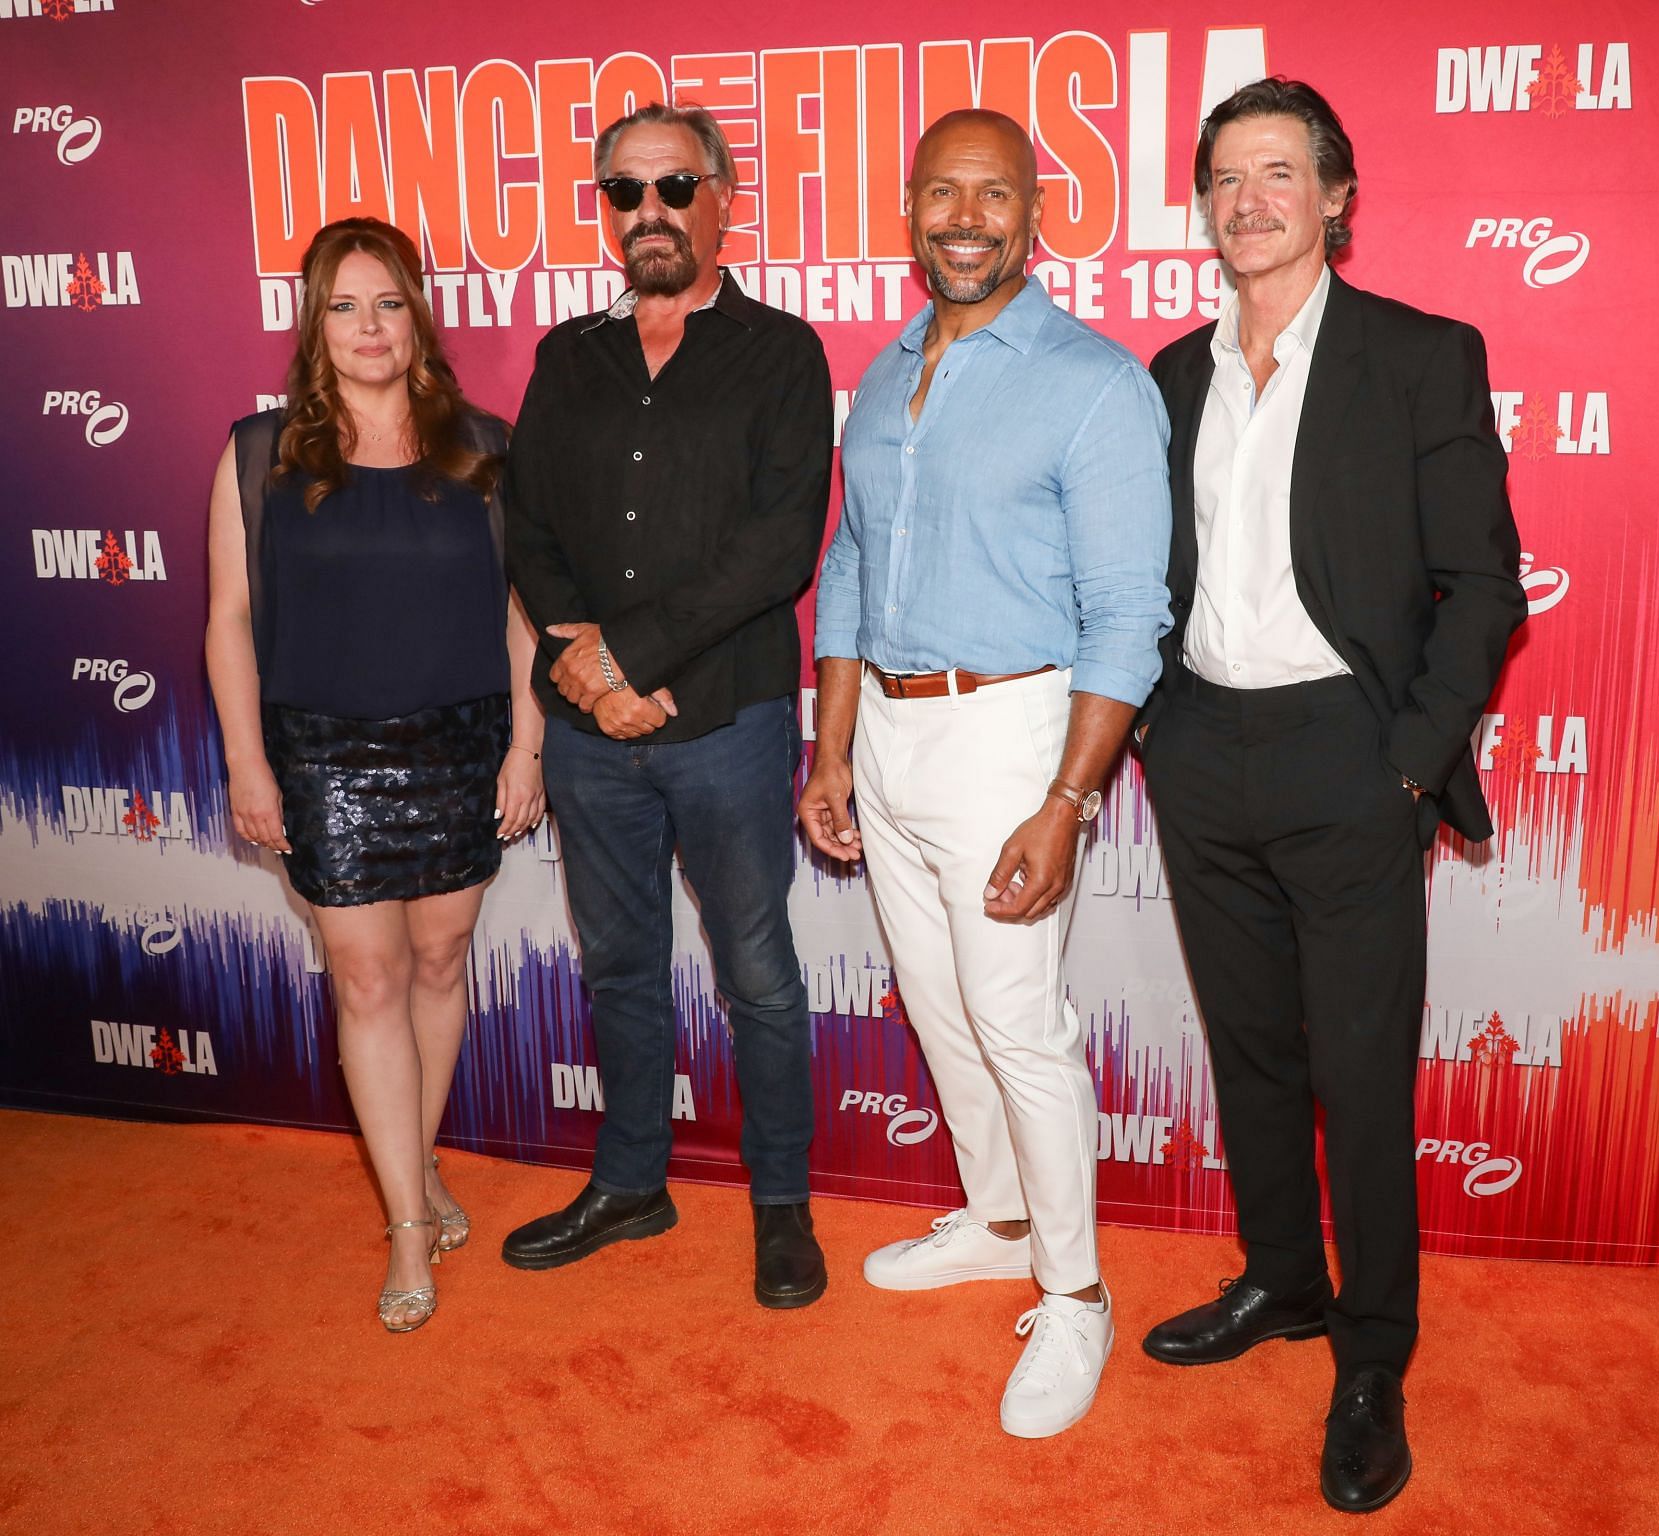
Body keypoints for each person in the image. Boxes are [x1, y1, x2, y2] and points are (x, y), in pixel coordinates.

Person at [1133, 78, 1526, 1511]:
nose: (1250, 200)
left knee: (1359, 1075)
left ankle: (1373, 1356)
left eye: (1279, 172)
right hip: (1201, 751)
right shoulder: (1171, 375)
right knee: (1253, 1054)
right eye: (1226, 177)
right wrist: (1155, 735)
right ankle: (1284, 1286)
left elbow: (1483, 583)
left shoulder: (1420, 357)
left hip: (1351, 756)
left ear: (1338, 196)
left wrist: (1410, 761)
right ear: (1204, 203)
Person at [799, 109, 1172, 1438]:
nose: (967, 217)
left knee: (1018, 1020)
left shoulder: (1093, 381)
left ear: (1035, 214)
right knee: (944, 1009)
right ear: (909, 210)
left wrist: (1065, 802)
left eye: (995, 194)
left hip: (1015, 736)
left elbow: (1130, 614)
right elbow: (848, 565)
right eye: (943, 194)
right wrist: (832, 743)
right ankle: (1003, 1220)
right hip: (888, 737)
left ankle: (1076, 1294)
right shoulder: (892, 364)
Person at [500, 103, 834, 1308]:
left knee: (757, 971)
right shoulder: (563, 358)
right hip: (593, 740)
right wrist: (586, 672)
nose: (649, 212)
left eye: (675, 187)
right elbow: (528, 528)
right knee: (621, 967)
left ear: (725, 198)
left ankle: (783, 1205)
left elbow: (777, 549)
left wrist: (626, 660)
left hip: (727, 723)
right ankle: (631, 1181)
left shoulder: (783, 353)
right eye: (623, 192)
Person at [205, 217, 547, 1334]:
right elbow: (229, 622)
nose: (368, 328)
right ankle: (407, 1221)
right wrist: (249, 763)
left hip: (459, 746)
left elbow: (521, 617)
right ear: (315, 323)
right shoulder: (259, 454)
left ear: (417, 316)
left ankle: (420, 1166)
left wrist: (525, 746)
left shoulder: (482, 449)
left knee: (443, 959)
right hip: (323, 755)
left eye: (387, 304)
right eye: (345, 306)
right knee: (366, 977)